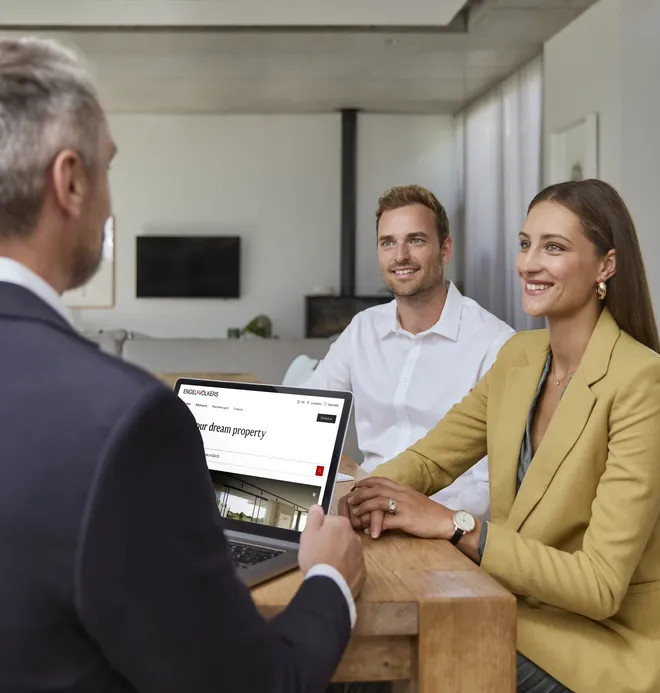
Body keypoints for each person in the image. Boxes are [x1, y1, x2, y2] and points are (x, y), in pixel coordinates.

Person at [0, 37, 365, 693]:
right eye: (108, 169)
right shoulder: (124, 420)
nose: (112, 200)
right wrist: (330, 575)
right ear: (71, 181)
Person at [343, 179, 660, 692]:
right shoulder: (520, 357)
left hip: (609, 645)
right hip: (523, 608)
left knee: (398, 655)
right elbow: (430, 460)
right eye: (526, 243)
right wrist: (360, 496)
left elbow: (599, 586)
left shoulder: (646, 384)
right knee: (352, 642)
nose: (529, 263)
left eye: (553, 247)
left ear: (606, 266)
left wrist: (452, 524)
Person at [304, 184, 514, 520]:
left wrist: (422, 517)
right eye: (388, 243)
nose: (400, 255)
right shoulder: (363, 329)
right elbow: (309, 410)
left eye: (415, 240)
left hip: (445, 529)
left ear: (445, 249)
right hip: (367, 511)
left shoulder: (495, 344)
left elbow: (492, 484)